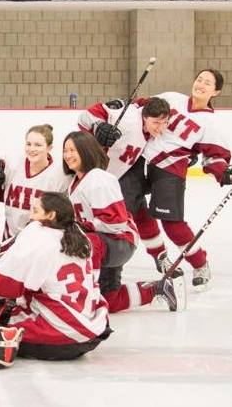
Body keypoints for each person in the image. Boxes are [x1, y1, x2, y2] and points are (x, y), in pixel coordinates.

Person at [0, 192, 110, 371]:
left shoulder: (38, 235)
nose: (30, 215)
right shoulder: (79, 235)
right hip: (90, 332)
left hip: (58, 335)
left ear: (50, 215)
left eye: (35, 210)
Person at [62, 131, 185, 313]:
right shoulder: (73, 182)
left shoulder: (98, 178)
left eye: (73, 150)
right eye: (65, 150)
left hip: (118, 241)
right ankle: (160, 288)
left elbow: (115, 222)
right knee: (110, 301)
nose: (67, 155)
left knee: (86, 242)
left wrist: (82, 227)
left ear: (86, 151)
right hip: (102, 245)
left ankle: (87, 294)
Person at [132, 70, 232, 287]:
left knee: (172, 223)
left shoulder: (210, 124)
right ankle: (161, 257)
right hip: (138, 158)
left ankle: (199, 263)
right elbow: (142, 107)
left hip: (170, 169)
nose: (201, 84)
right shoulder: (172, 98)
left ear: (216, 91)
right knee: (136, 208)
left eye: (208, 83)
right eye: (199, 79)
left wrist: (223, 173)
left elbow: (215, 155)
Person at [78, 97, 180, 274]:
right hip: (96, 178)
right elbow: (84, 117)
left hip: (122, 174)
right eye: (156, 122)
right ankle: (104, 266)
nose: (161, 127)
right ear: (145, 117)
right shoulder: (128, 119)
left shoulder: (152, 128)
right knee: (108, 221)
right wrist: (99, 126)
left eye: (165, 122)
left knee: (140, 210)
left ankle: (160, 255)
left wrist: (185, 156)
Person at [0, 124, 72, 239]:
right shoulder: (13, 164)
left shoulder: (61, 175)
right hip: (9, 238)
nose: (31, 149)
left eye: (38, 145)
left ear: (49, 148)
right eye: (28, 144)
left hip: (41, 239)